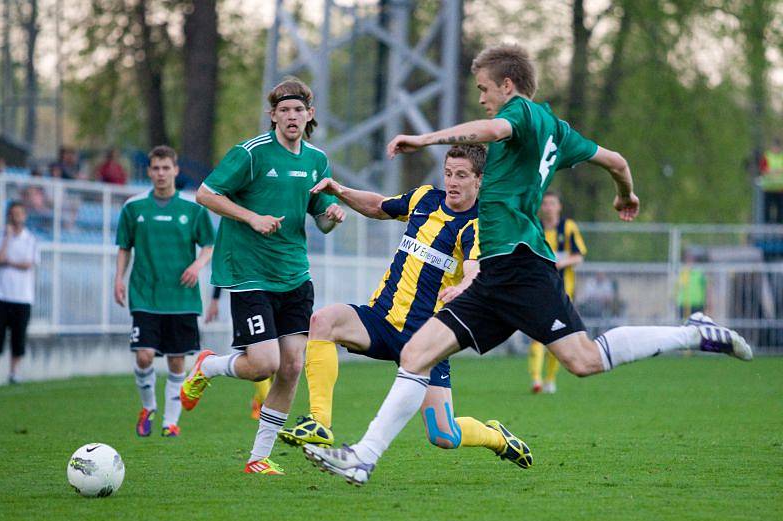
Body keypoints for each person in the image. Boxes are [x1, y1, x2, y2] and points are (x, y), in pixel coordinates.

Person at [304, 43, 753, 485]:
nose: (482, 98)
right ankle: (362, 458)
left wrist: (426, 138)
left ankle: (695, 332)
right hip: (497, 276)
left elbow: (490, 130)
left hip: (523, 267)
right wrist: (625, 194)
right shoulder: (559, 130)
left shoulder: (521, 113)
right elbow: (615, 160)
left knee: (584, 360)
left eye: (484, 89)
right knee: (417, 354)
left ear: (507, 84)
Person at [278, 145, 531, 467]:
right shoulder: (425, 199)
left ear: (480, 180)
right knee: (324, 321)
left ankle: (496, 436)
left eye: (462, 175)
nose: (452, 181)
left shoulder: (478, 224)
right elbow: (378, 206)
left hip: (427, 337)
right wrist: (339, 190)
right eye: (449, 173)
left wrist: (463, 289)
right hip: (381, 320)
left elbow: (474, 269)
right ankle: (319, 423)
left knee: (444, 435)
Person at [180, 77, 346, 475]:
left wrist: (332, 215)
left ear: (310, 115)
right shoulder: (251, 154)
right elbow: (205, 193)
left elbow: (320, 221)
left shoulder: (316, 160)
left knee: (291, 366)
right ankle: (209, 366)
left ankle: (258, 458)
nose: (292, 116)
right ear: (273, 115)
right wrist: (251, 216)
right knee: (264, 364)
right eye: (284, 110)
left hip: (294, 275)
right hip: (249, 272)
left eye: (298, 110)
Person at [114, 145, 215, 438]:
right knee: (144, 356)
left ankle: (170, 422)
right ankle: (148, 407)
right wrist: (118, 279)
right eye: (155, 168)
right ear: (149, 171)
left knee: (176, 360)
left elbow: (209, 245)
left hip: (181, 296)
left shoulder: (192, 209)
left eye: (166, 168)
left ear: (175, 170)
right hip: (145, 293)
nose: (161, 174)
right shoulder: (133, 207)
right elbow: (124, 247)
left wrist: (197, 265)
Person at [527, 190, 586, 394]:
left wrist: (561, 263)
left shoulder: (568, 228)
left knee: (557, 337)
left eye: (552, 203)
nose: (549, 207)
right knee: (536, 335)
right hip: (538, 291)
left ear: (559, 207)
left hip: (562, 293)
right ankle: (536, 379)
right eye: (546, 204)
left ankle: (550, 379)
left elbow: (578, 257)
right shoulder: (536, 228)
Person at [0, 202, 39, 385]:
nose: (16, 217)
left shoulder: (30, 239)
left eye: (19, 213)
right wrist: (8, 237)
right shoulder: (1, 236)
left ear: (24, 216)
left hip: (22, 297)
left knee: (18, 336)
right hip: (1, 295)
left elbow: (28, 263)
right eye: (13, 213)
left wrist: (11, 262)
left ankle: (14, 372)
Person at [205, 285, 272, 420]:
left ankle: (259, 402)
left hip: (276, 296)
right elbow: (222, 266)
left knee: (275, 364)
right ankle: (269, 408)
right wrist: (215, 300)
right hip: (251, 298)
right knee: (261, 361)